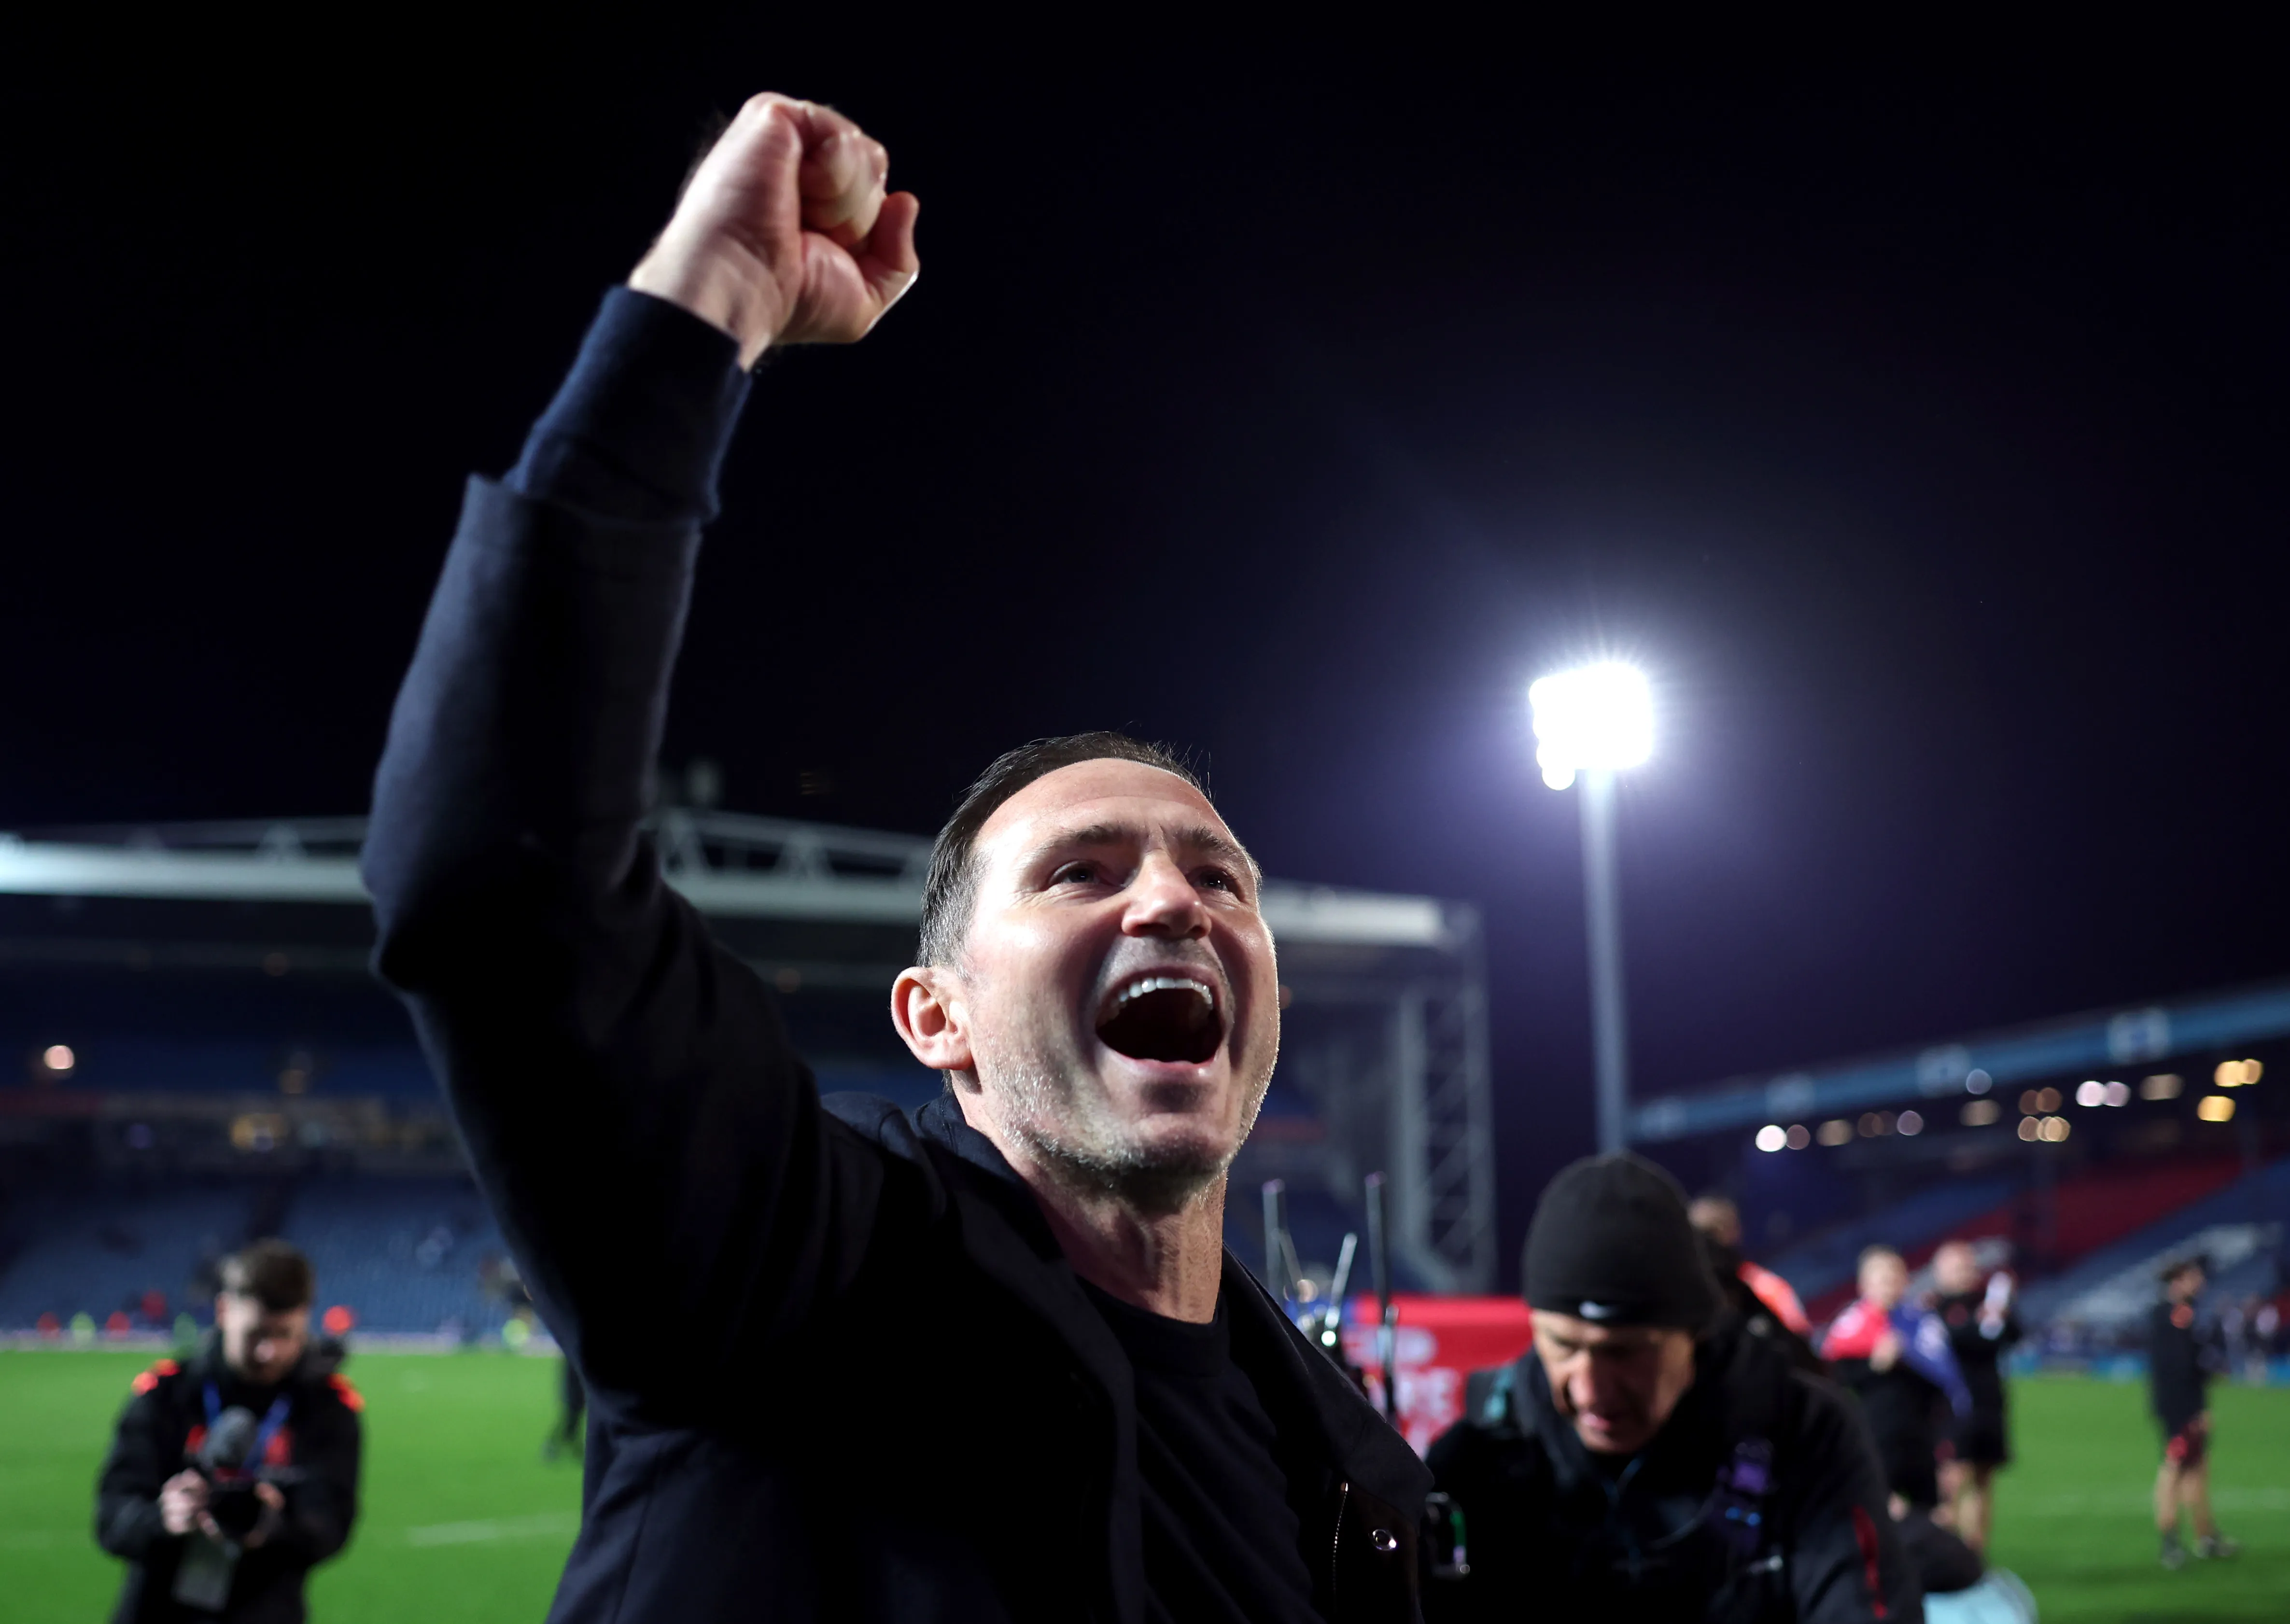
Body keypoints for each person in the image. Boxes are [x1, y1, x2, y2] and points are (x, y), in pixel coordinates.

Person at [363, 92, 1427, 1624]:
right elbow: (494, 873)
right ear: (937, 1018)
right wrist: (703, 306)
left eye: (1221, 875)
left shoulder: (1347, 1468)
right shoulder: (805, 1284)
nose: (1172, 898)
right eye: (1080, 869)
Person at [1423, 1154, 1918, 1622]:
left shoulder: (1805, 1432)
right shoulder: (1480, 1458)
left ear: (1696, 1332)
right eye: (1562, 1344)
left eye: (1626, 1351)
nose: (1591, 1389)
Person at [95, 1241, 363, 1623]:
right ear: (224, 1311)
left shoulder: (327, 1408)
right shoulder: (167, 1395)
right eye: (256, 1334)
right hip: (159, 1607)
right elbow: (111, 1520)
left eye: (285, 1335)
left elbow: (333, 1526)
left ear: (306, 1318)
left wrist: (276, 1526)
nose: (268, 1352)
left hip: (268, 1608)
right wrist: (164, 1518)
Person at [1822, 1246, 1970, 1516]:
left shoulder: (1922, 1327)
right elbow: (1833, 1385)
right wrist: (1874, 1366)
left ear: (1906, 1281)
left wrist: (1949, 1450)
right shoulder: (1849, 1328)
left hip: (1921, 1444)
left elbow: (1945, 1389)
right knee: (1879, 1520)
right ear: (1864, 1284)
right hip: (1874, 1442)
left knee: (1934, 1522)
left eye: (1894, 1278)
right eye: (1882, 1279)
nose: (1888, 1286)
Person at [1928, 1242, 2020, 1552]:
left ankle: (1976, 1558)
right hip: (1951, 1408)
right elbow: (1959, 1340)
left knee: (1983, 1481)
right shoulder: (1933, 1308)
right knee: (1952, 1484)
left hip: (1989, 1405)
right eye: (1956, 1267)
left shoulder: (1988, 1304)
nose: (1964, 1273)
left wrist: (2002, 1315)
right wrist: (1982, 1324)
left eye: (1967, 1267)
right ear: (1939, 1272)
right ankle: (1947, 1557)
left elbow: (2011, 1336)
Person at [2150, 1256, 2236, 1568]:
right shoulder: (2174, 1316)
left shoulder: (2177, 1315)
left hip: (2181, 1404)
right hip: (2180, 1408)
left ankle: (2204, 1536)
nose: (2198, 1283)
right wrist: (2195, 1410)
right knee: (2174, 1469)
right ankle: (2170, 1542)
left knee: (2197, 1469)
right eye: (2192, 1277)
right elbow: (2180, 1367)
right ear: (2178, 1280)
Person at [1688, 1194, 1820, 1372]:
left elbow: (1799, 1336)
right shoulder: (1686, 1305)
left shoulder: (1763, 1287)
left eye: (1711, 1235)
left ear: (1732, 1233)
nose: (1706, 1247)